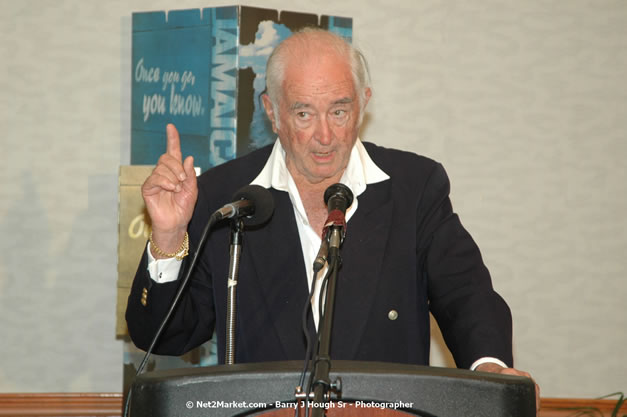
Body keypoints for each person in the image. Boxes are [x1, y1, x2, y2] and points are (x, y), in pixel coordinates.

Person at [126, 28, 539, 410]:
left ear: (363, 103)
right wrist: (168, 234)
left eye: (339, 111)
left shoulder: (414, 188)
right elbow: (167, 336)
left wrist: (490, 369)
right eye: (304, 114)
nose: (325, 136)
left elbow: (466, 293)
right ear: (272, 111)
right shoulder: (226, 195)